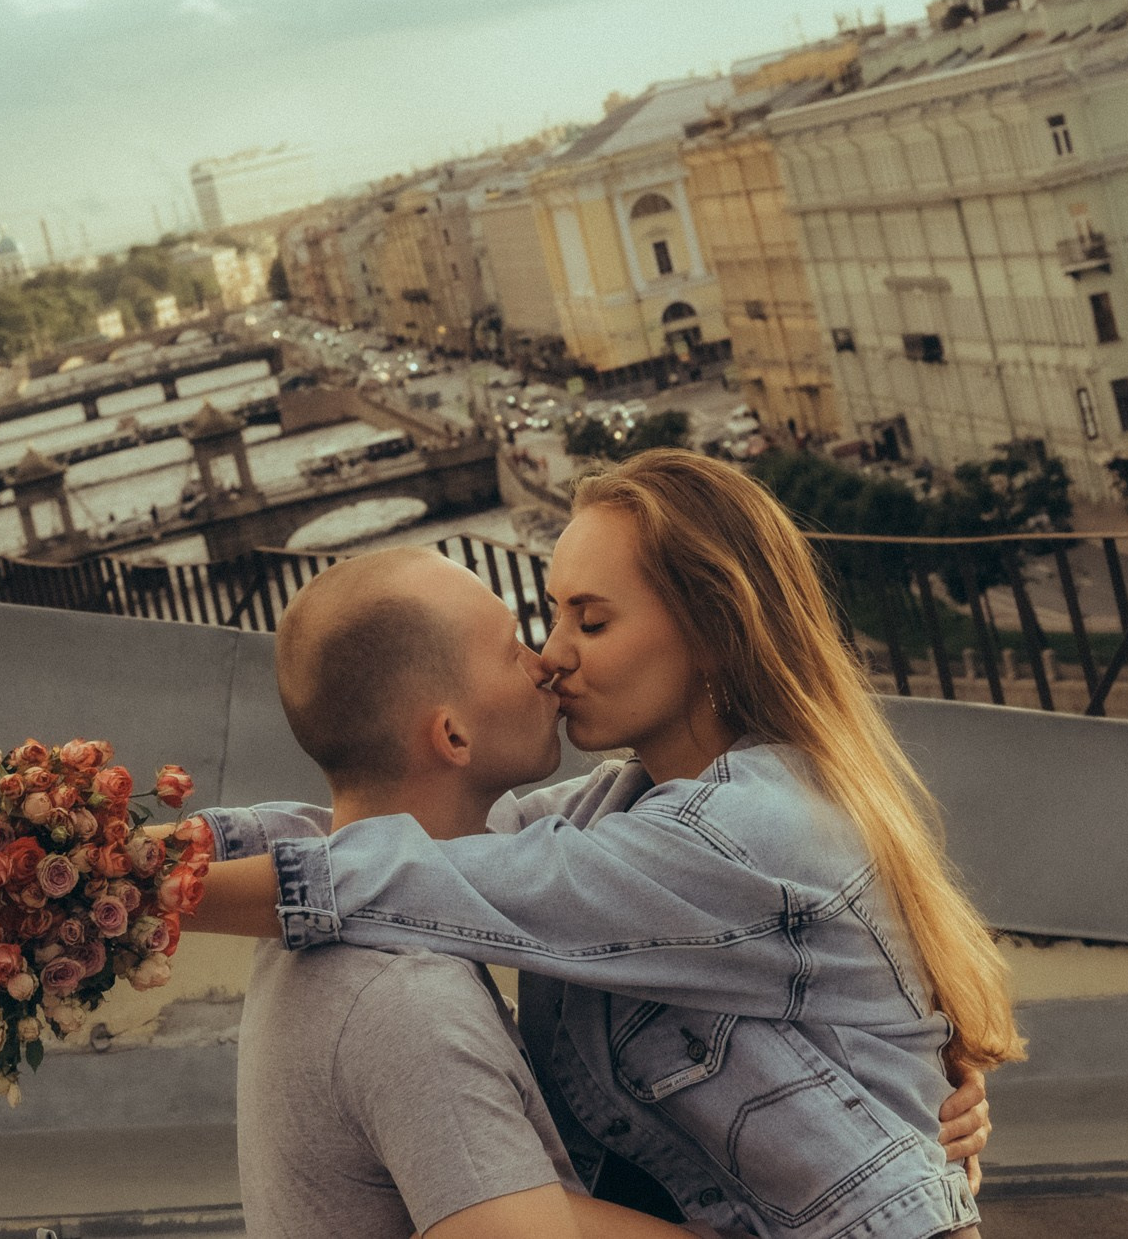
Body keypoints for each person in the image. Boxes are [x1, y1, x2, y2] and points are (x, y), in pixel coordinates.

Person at [185, 449, 1008, 1237]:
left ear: (712, 631)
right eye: (549, 616)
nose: (550, 656)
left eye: (592, 619)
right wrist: (119, 858)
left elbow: (416, 872)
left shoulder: (743, 832)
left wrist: (158, 895)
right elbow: (432, 849)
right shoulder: (622, 808)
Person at [237, 545, 683, 1239]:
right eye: (511, 650)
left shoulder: (341, 923)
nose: (545, 662)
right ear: (452, 734)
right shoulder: (403, 995)